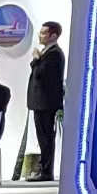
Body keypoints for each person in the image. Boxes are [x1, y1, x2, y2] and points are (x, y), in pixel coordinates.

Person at [27, 23, 67, 181]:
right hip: (41, 102)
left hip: (46, 103)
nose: (40, 35)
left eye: (44, 33)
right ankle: (44, 169)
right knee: (43, 137)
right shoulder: (48, 52)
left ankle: (46, 171)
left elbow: (41, 75)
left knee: (46, 138)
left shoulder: (54, 54)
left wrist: (36, 59)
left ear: (53, 35)